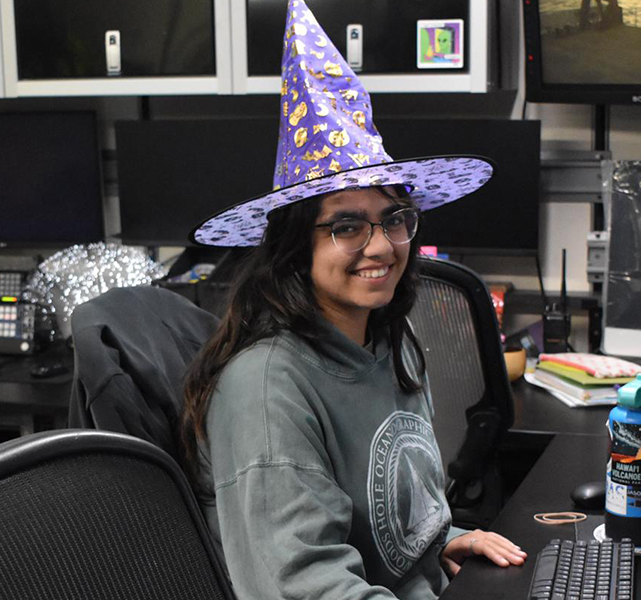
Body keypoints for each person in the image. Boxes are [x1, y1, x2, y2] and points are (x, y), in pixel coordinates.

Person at [179, 1, 526, 598]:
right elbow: (304, 589)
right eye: (346, 226)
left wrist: (440, 542)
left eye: (393, 219)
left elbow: (396, 510)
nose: (382, 246)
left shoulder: (390, 338)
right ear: (294, 247)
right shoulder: (266, 392)